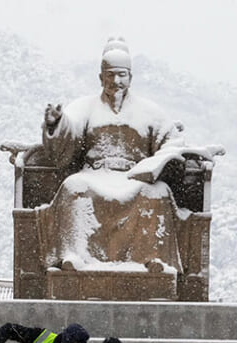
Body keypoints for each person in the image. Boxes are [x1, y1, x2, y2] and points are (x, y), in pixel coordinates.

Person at [37, 37, 191, 273]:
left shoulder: (149, 111)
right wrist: (56, 123)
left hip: (135, 177)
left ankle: (152, 260)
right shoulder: (85, 106)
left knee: (158, 192)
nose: (116, 81)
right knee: (73, 186)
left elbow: (172, 141)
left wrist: (158, 162)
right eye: (110, 75)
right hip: (95, 174)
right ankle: (74, 256)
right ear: (101, 77)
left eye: (121, 75)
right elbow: (69, 131)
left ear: (130, 77)